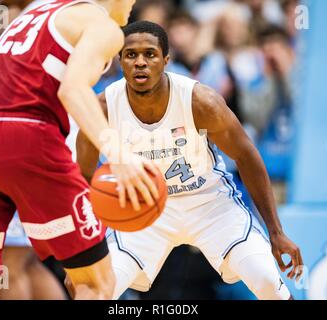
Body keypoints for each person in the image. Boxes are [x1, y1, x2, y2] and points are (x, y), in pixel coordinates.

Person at [0, 0, 160, 300]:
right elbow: (72, 89)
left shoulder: (37, 10)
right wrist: (119, 154)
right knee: (96, 282)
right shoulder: (104, 26)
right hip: (25, 137)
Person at [77, 21, 304, 300]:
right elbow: (83, 179)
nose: (140, 62)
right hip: (143, 213)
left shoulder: (200, 101)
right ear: (120, 60)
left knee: (268, 281)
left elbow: (246, 155)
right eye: (131, 54)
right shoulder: (103, 108)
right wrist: (80, 253)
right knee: (94, 290)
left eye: (150, 54)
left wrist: (276, 232)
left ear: (166, 60)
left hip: (209, 205)